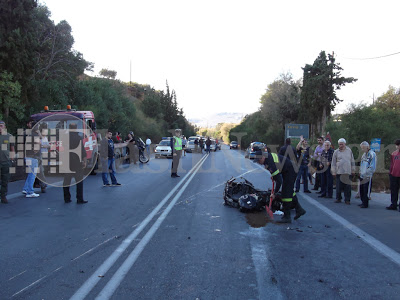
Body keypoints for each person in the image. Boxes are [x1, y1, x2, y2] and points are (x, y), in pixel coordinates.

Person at [254, 148, 306, 223]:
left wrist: (274, 193)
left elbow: (279, 181)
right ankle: (299, 210)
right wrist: (274, 175)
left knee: (286, 194)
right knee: (290, 190)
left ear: (263, 157)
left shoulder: (269, 162)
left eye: (259, 160)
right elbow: (276, 171)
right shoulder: (267, 159)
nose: (259, 163)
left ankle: (287, 217)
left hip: (290, 170)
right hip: (288, 170)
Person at [62, 123, 88, 204]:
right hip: (77, 161)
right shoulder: (78, 137)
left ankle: (67, 198)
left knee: (66, 181)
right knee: (79, 181)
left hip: (67, 162)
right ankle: (79, 198)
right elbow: (82, 150)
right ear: (76, 128)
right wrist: (84, 161)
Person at [331, 138, 355, 205]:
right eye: (339, 144)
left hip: (347, 171)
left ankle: (347, 200)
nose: (340, 145)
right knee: (338, 186)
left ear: (345, 144)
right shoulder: (336, 152)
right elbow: (333, 162)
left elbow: (352, 161)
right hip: (339, 171)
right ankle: (338, 198)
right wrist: (333, 171)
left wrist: (353, 170)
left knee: (347, 187)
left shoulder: (349, 150)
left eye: (342, 144)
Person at [22, 123, 41, 198]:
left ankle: (25, 189)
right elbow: (37, 146)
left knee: (30, 173)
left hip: (27, 156)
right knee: (33, 175)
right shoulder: (35, 135)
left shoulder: (29, 134)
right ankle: (30, 192)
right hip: (33, 157)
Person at [0, 121, 15, 204]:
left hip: (6, 161)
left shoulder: (9, 136)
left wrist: (12, 159)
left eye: (1, 126)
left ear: (4, 127)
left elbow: (12, 148)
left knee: (5, 180)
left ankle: (3, 196)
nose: (0, 127)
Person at [358, 141, 376, 208]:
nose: (362, 149)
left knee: (366, 190)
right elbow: (361, 164)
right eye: (361, 148)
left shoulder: (372, 154)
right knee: (362, 189)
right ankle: (362, 201)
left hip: (367, 176)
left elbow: (372, 167)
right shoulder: (364, 154)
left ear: (367, 147)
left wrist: (366, 173)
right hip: (362, 175)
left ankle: (365, 203)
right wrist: (360, 172)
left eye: (363, 148)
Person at [387, 139, 400, 211]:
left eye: (398, 145)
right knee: (394, 190)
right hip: (394, 175)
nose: (397, 147)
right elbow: (392, 164)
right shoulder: (394, 153)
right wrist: (390, 172)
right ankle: (393, 204)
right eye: (397, 145)